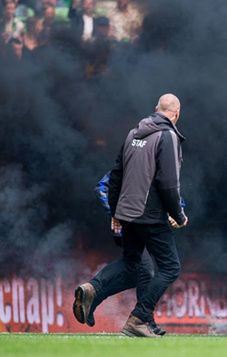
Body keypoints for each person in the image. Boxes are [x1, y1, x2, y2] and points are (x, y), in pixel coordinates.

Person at [73, 93, 188, 338]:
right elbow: (168, 184)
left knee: (135, 265)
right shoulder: (167, 136)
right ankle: (140, 318)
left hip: (128, 215)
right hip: (150, 214)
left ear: (156, 109)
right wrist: (177, 214)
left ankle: (93, 289)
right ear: (176, 114)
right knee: (170, 267)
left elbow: (115, 176)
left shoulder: (133, 133)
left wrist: (116, 212)